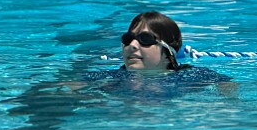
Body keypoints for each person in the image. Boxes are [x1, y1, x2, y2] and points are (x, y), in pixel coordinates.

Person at [86, 11, 233, 93]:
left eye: (145, 39)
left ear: (168, 52)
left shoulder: (192, 77)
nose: (132, 46)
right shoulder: (109, 79)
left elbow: (228, 89)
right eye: (128, 39)